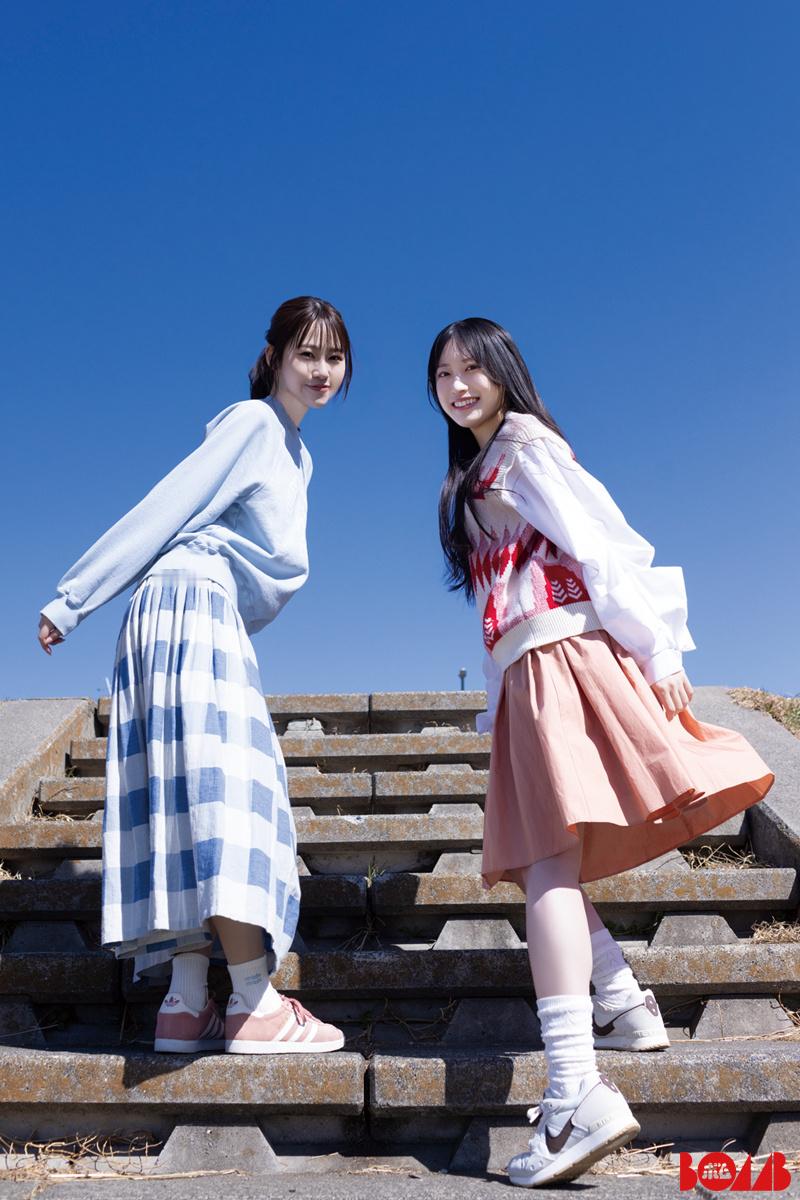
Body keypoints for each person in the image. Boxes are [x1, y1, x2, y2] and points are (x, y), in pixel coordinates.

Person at [428, 317, 774, 1187]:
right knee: (536, 861)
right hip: (527, 673)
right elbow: (501, 601)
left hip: (560, 659)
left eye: (472, 369)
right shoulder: (480, 470)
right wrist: (497, 706)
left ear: (504, 373)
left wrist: (660, 651)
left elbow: (603, 543)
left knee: (544, 863)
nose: (458, 385)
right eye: (443, 374)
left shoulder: (525, 446)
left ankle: (575, 1090)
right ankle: (621, 1002)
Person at [38, 295, 351, 1056]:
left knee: (183, 798)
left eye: (334, 357)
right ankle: (254, 1000)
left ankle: (184, 1002)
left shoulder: (295, 452)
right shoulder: (255, 425)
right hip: (190, 605)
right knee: (231, 798)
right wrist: (74, 598)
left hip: (174, 613)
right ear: (273, 357)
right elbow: (168, 506)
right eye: (305, 353)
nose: (320, 370)